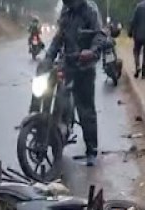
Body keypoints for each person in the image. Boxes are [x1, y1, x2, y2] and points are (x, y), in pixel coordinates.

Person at [42, 0, 106, 166]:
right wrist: (49, 57)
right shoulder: (66, 11)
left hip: (85, 66)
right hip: (67, 63)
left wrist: (91, 52)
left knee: (85, 109)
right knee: (56, 96)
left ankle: (91, 150)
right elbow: (59, 37)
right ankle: (56, 135)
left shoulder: (90, 10)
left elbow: (100, 35)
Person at [128, 0, 145, 79]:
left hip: (138, 35)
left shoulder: (139, 6)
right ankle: (144, 74)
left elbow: (133, 21)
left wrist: (130, 32)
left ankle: (137, 66)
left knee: (136, 51)